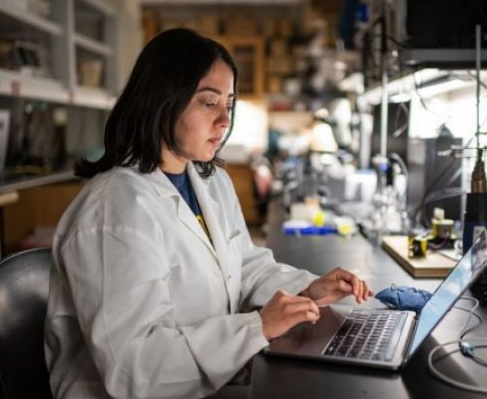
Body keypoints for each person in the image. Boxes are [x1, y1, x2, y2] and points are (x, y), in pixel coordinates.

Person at [44, 28, 372, 399]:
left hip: (206, 382)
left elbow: (245, 266)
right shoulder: (115, 209)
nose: (224, 120)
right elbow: (133, 368)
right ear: (162, 100)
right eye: (208, 103)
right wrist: (256, 328)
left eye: (228, 105)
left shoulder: (208, 179)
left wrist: (307, 289)